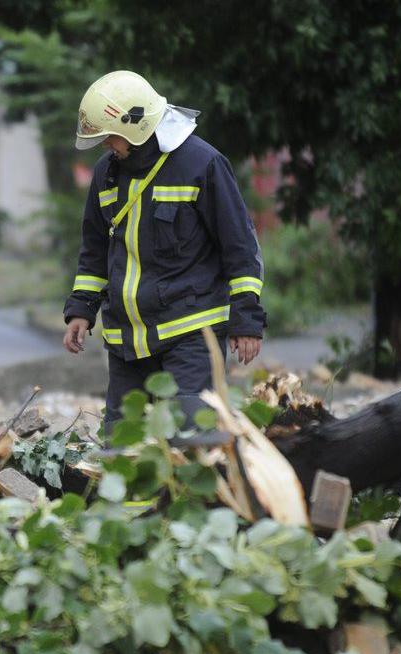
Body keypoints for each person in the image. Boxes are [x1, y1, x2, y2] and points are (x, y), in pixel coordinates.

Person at [62, 70, 265, 434]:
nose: (107, 145)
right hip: (127, 342)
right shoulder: (105, 174)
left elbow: (241, 249)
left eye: (110, 136)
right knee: (121, 449)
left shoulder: (203, 164)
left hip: (192, 336)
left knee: (193, 440)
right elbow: (94, 250)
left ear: (134, 125)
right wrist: (81, 309)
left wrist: (247, 320)